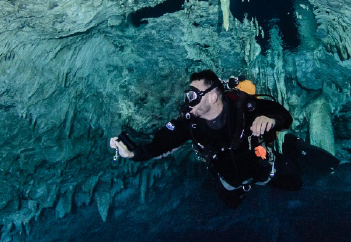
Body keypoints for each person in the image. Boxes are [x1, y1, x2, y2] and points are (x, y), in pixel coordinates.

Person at [109, 70, 297, 207]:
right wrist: (133, 153)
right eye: (187, 95)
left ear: (213, 96)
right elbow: (159, 145)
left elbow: (284, 117)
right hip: (229, 183)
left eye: (192, 95)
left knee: (296, 184)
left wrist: (271, 120)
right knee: (231, 210)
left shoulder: (242, 107)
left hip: (264, 169)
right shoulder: (190, 125)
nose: (188, 101)